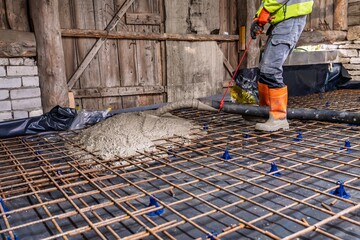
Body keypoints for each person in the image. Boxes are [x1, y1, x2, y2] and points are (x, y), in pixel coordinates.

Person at [250, 0, 313, 131]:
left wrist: (265, 11)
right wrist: (259, 17)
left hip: (290, 21)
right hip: (282, 21)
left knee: (270, 69)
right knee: (264, 69)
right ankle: (265, 112)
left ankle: (278, 118)